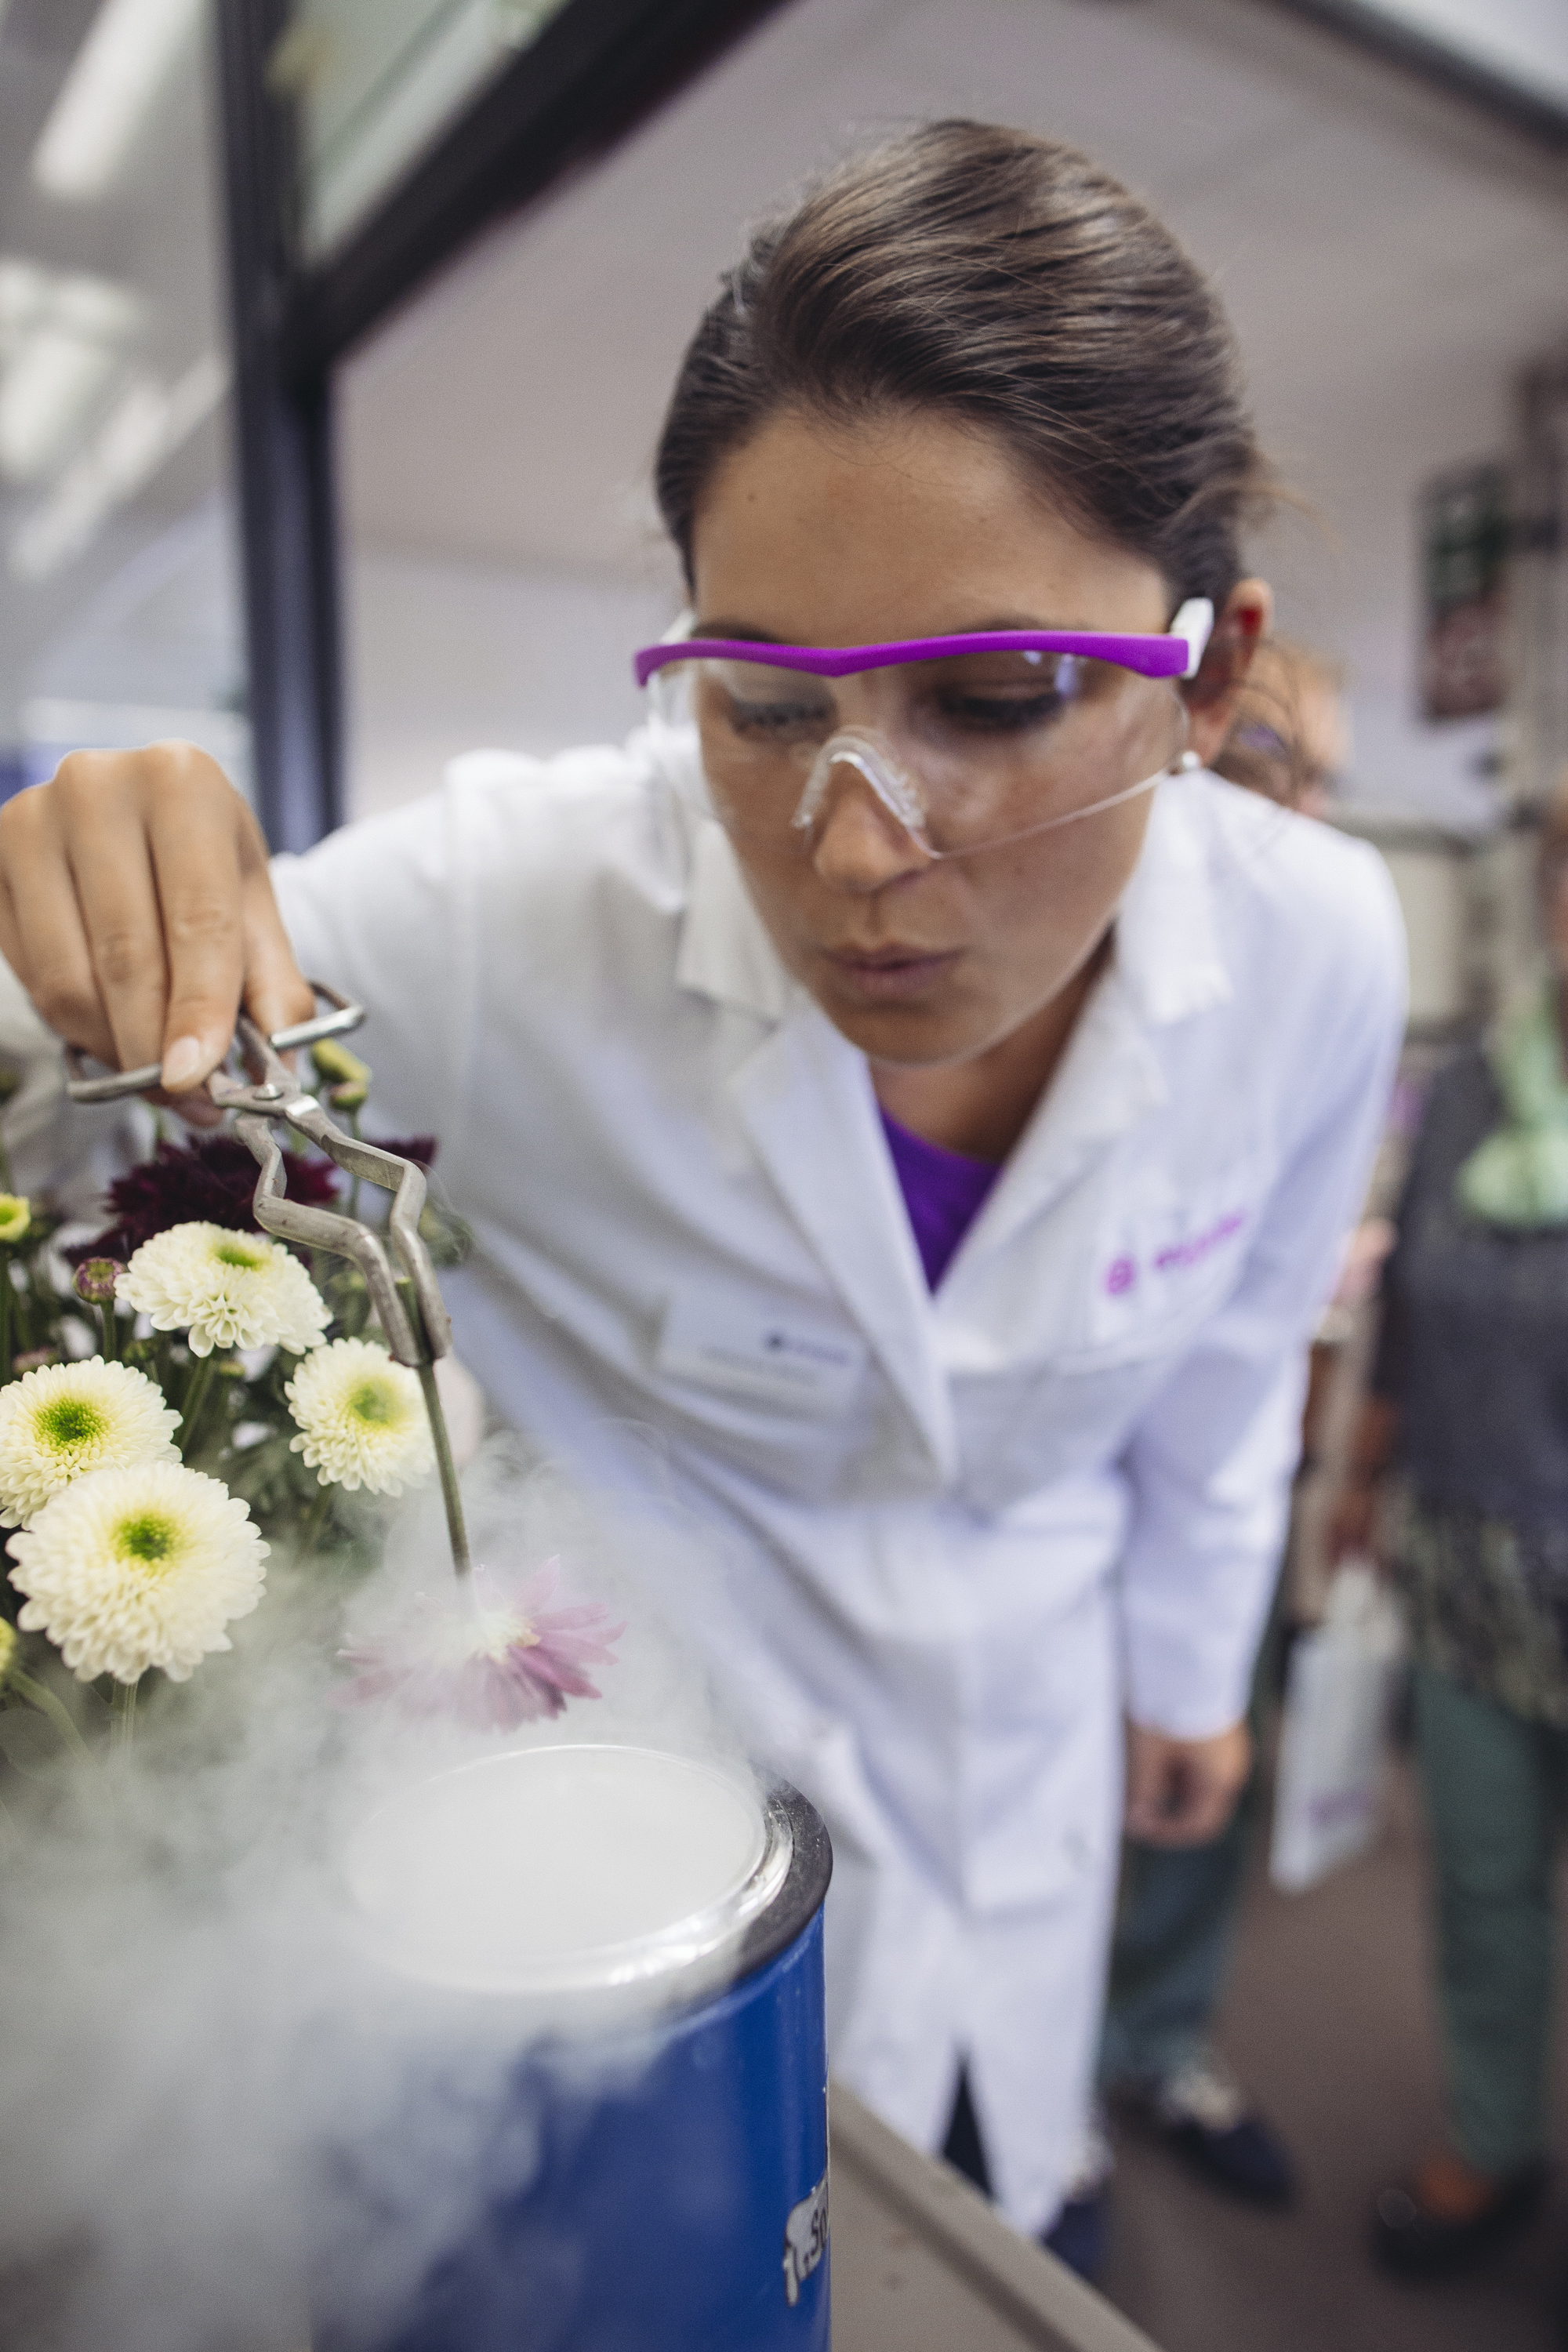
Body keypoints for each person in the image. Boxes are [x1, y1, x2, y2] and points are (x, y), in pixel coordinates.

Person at [0, 123, 1405, 2268]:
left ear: (1209, 679)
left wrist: (1196, 1671)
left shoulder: (1317, 950)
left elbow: (1223, 1375)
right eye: (758, 701)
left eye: (997, 696)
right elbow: (80, 1083)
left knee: (1015, 2226)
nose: (853, 846)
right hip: (636, 1846)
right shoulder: (519, 912)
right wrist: (76, 900)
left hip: (1037, 1769)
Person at [1091, 638, 1353, 2216]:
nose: (1294, 818)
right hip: (1047, 1482)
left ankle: (1157, 2042)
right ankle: (1034, 2091)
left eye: (1313, 785)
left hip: (1212, 1478)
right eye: (1266, 773)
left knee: (1195, 1771)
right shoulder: (1073, 948)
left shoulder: (1319, 967)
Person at [1338, 766, 1568, 2278]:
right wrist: (1363, 1480)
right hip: (1471, 1568)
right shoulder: (1481, 1082)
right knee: (1484, 1887)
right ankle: (1494, 2140)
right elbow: (1410, 1313)